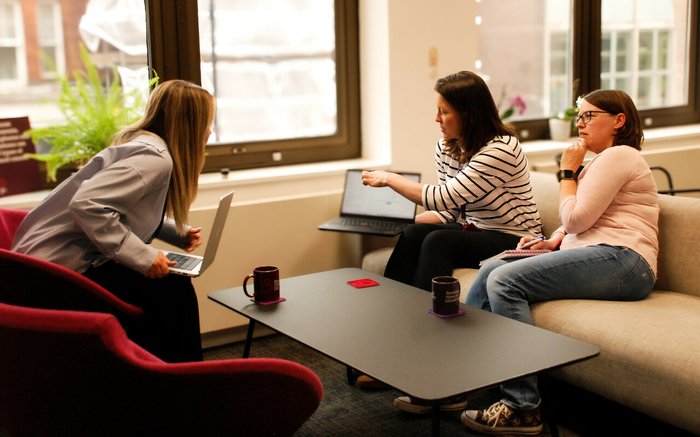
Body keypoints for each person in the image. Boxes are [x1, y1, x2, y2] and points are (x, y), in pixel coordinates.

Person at [460, 89, 659, 436]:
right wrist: (554, 238)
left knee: (505, 281)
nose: (579, 124)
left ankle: (522, 407)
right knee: (494, 264)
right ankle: (460, 377)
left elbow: (579, 218)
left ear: (618, 121)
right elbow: (585, 217)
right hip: (604, 254)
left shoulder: (621, 156)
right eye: (577, 116)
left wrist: (567, 173)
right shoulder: (603, 161)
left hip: (627, 260)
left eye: (588, 116)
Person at [361, 71, 542, 406]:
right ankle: (395, 344)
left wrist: (390, 179)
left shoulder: (502, 148)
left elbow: (443, 196)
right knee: (416, 233)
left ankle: (436, 359)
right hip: (473, 230)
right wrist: (403, 223)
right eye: (438, 109)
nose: (436, 118)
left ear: (469, 114)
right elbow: (451, 212)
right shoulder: (447, 147)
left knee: (438, 242)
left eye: (444, 111)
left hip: (514, 238)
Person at [12, 79, 216, 363]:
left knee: (168, 288)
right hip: (57, 273)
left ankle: (156, 373)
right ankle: (177, 382)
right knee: (173, 292)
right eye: (207, 123)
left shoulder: (143, 146)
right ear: (190, 127)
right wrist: (143, 257)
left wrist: (174, 233)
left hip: (49, 261)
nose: (209, 132)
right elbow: (87, 204)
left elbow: (124, 209)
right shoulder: (155, 160)